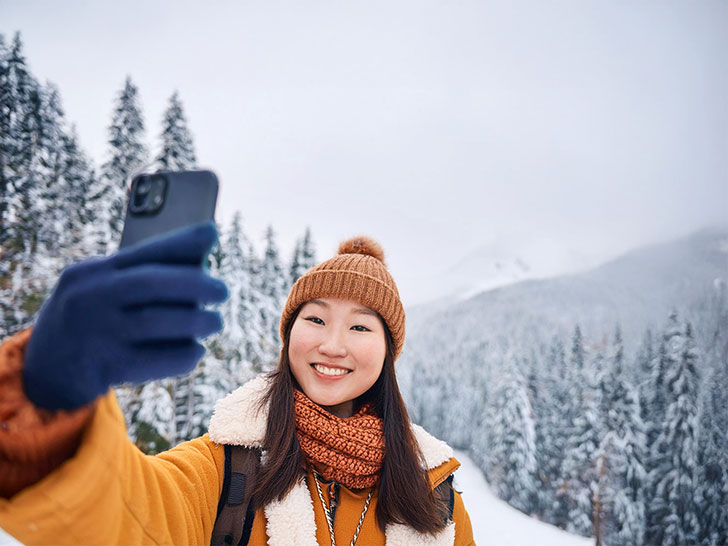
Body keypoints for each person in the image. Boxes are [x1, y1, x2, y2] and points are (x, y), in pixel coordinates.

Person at [0, 222, 474, 545]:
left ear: (388, 352)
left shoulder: (433, 492)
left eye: (360, 327)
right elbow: (130, 516)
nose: (332, 344)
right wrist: (46, 393)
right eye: (315, 319)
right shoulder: (229, 465)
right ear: (289, 334)